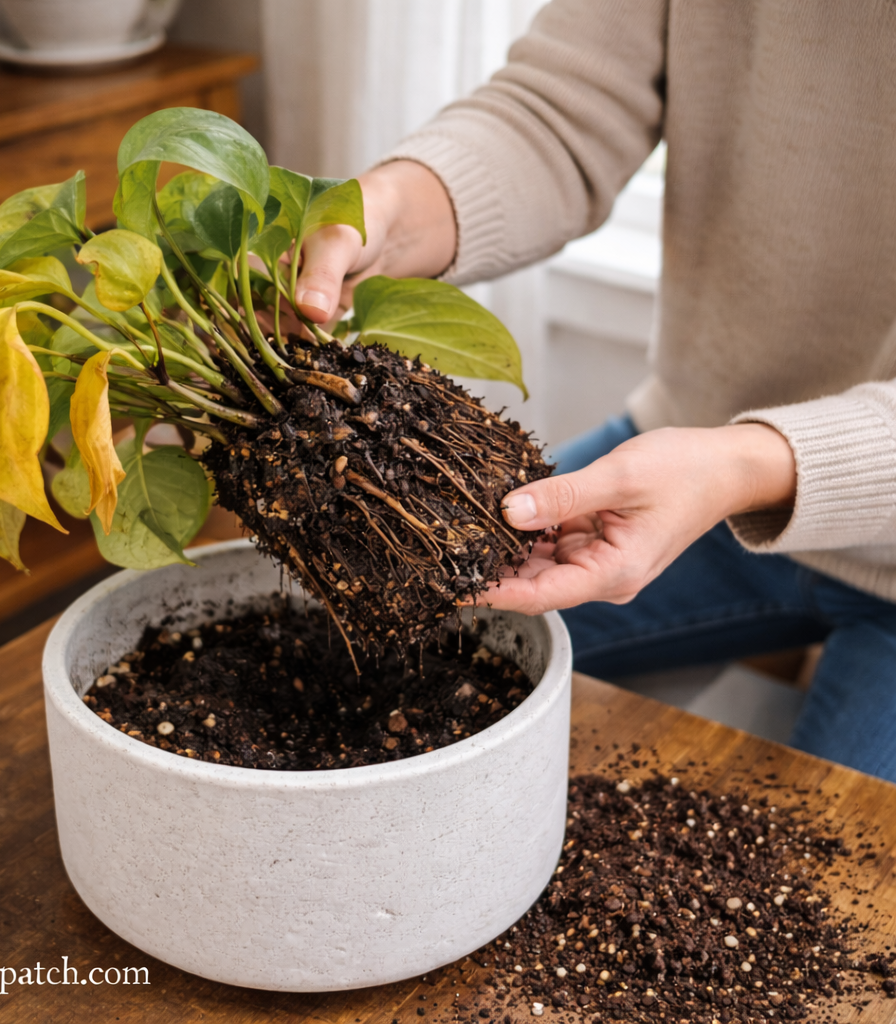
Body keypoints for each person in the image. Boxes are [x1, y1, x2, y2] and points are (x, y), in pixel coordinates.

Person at [287, 0, 896, 783]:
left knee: (843, 878)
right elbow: (560, 112)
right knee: (345, 659)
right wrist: (389, 212)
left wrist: (741, 468)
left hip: (742, 484)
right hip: (684, 458)